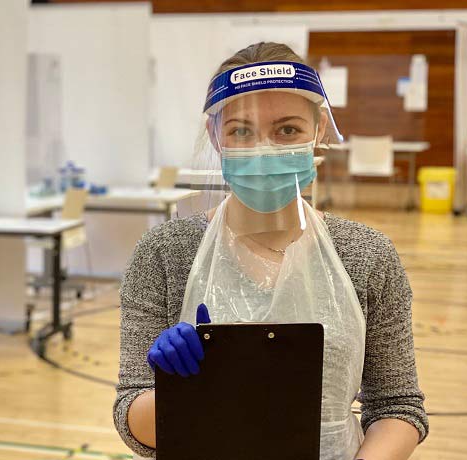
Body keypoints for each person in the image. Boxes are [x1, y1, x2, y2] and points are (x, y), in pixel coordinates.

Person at [113, 42, 428, 460]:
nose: (264, 149)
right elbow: (130, 417)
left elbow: (397, 405)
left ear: (316, 131)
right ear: (215, 136)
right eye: (241, 130)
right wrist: (178, 390)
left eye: (287, 130)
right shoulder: (164, 254)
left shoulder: (367, 255)